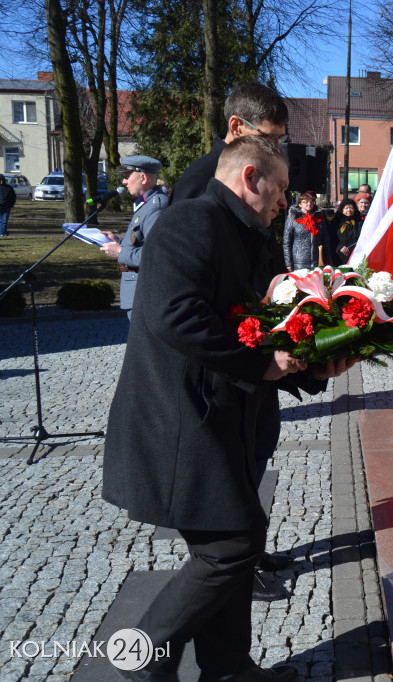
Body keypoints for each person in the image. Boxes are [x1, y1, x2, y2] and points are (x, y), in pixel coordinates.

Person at [102, 136, 356, 682]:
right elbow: (177, 316)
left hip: (221, 420)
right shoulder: (190, 222)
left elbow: (263, 331)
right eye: (281, 188)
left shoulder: (246, 234)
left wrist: (311, 367)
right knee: (231, 548)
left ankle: (227, 669)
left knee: (235, 543)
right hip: (179, 422)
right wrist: (259, 365)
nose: (285, 201)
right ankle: (142, 655)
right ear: (250, 178)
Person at [169, 80, 294, 602]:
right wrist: (252, 359)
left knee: (253, 460)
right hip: (223, 373)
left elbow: (263, 262)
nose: (278, 151)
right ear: (236, 130)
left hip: (252, 362)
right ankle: (227, 563)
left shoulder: (257, 188)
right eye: (271, 138)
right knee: (225, 486)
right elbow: (189, 300)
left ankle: (246, 549)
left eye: (282, 141)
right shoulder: (201, 191)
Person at [99, 155, 168, 320]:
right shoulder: (146, 204)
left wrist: (121, 252)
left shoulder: (155, 207)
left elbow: (156, 255)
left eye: (127, 176)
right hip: (138, 295)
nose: (124, 182)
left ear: (143, 177)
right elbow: (142, 242)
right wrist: (118, 241)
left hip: (145, 295)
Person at [282, 191, 327, 271]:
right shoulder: (292, 219)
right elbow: (287, 242)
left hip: (317, 260)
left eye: (311, 201)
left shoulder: (320, 219)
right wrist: (288, 262)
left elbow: (326, 240)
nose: (309, 204)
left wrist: (328, 259)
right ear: (300, 204)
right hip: (299, 261)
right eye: (305, 202)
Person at [331, 198, 363, 265]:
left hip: (356, 253)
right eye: (346, 208)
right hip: (341, 254)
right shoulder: (336, 222)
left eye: (351, 208)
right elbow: (332, 237)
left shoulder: (359, 221)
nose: (349, 210)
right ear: (342, 210)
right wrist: (340, 247)